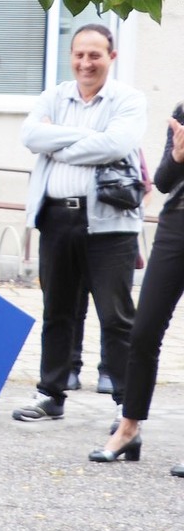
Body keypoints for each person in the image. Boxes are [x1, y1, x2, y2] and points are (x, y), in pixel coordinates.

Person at [11, 24, 145, 421]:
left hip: (110, 223)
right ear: (70, 56)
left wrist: (61, 142)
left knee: (116, 315)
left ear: (111, 57)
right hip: (56, 218)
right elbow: (31, 136)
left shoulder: (128, 100)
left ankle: (127, 405)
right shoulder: (53, 96)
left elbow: (118, 144)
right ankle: (51, 393)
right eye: (79, 55)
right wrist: (88, 137)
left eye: (95, 55)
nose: (86, 63)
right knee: (57, 311)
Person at [90, 105, 184, 468]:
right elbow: (161, 180)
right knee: (143, 331)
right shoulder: (181, 112)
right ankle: (129, 428)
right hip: (175, 226)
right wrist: (177, 156)